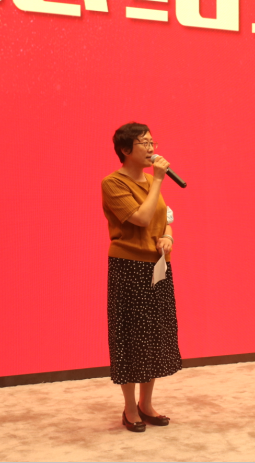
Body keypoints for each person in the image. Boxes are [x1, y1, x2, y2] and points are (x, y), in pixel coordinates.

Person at [101, 122, 182, 433]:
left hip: (158, 266)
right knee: (131, 337)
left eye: (152, 142)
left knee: (155, 336)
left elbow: (164, 218)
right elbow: (142, 218)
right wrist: (158, 180)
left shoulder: (152, 181)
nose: (151, 148)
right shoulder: (113, 183)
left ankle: (147, 404)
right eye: (144, 143)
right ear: (125, 150)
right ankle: (129, 407)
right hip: (129, 267)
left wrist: (168, 238)